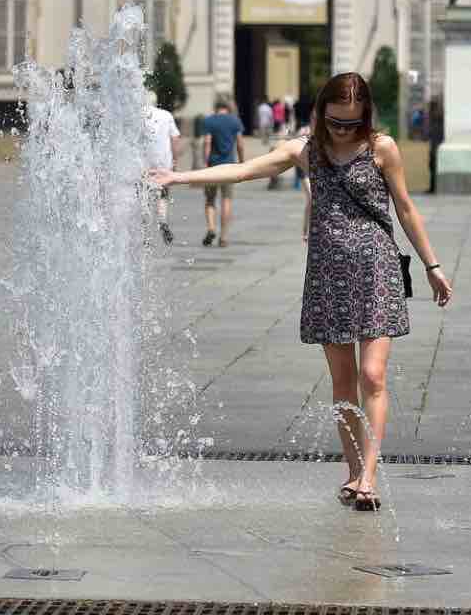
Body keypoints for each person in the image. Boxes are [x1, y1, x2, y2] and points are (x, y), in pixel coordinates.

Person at [150, 72, 453, 512]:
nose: (343, 131)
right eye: (335, 122)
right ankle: (352, 471)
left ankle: (369, 475)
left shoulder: (381, 149)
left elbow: (405, 208)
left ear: (366, 117)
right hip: (328, 276)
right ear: (321, 112)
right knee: (343, 381)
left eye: (352, 123)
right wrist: (177, 178)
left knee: (373, 375)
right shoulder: (307, 151)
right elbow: (243, 169)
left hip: (376, 271)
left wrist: (433, 266)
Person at [199, 100, 245, 247]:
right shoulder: (235, 121)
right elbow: (240, 143)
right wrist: (243, 163)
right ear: (228, 108)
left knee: (210, 200)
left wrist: (205, 162)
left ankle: (211, 228)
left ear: (216, 108)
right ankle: (224, 236)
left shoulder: (209, 121)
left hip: (213, 166)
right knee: (226, 200)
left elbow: (207, 142)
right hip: (229, 167)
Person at [143, 90, 182, 245]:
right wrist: (175, 159)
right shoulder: (166, 115)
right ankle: (163, 221)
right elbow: (175, 138)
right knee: (162, 195)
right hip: (163, 163)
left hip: (143, 164)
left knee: (143, 198)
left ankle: (144, 233)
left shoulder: (136, 115)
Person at [427, 98, 444, 194]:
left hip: (435, 148)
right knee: (432, 168)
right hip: (435, 147)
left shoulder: (436, 119)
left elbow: (434, 135)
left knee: (433, 168)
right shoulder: (437, 119)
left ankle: (433, 188)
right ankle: (433, 187)